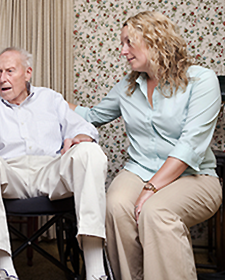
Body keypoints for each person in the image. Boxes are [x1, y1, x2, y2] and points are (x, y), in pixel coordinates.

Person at [69, 11, 222, 280]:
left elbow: (190, 146)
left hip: (195, 176)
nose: (122, 51)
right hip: (140, 170)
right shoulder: (126, 88)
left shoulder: (201, 80)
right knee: (115, 205)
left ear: (154, 39)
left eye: (129, 42)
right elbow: (91, 116)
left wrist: (150, 189)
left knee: (156, 211)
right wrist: (43, 100)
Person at [0, 47, 109, 280]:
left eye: (9, 71)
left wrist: (80, 139)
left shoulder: (51, 98)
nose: (2, 79)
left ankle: (97, 272)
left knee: (90, 151)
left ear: (27, 73)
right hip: (9, 175)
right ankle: (4, 268)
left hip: (50, 172)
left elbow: (83, 129)